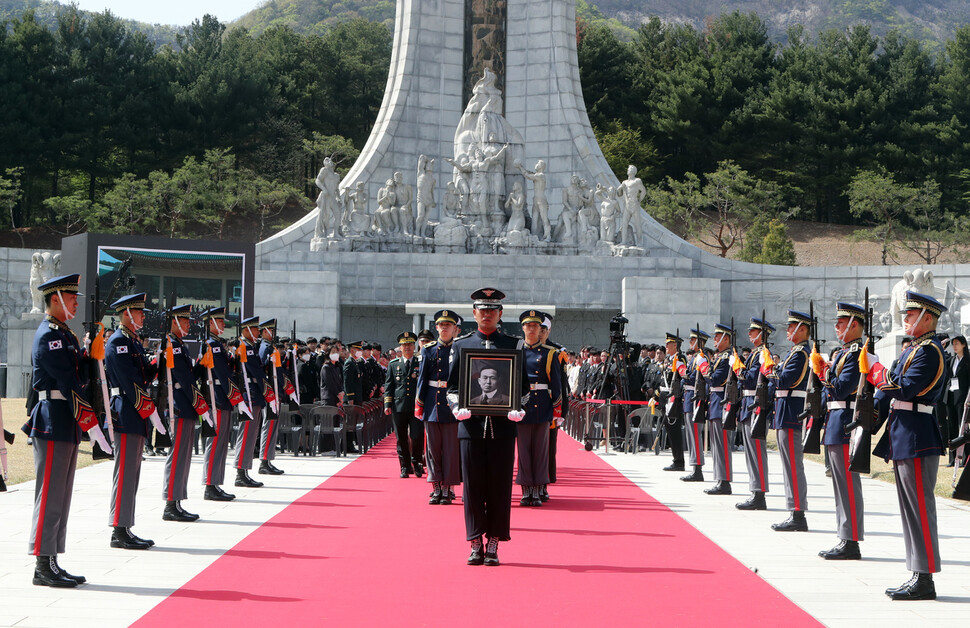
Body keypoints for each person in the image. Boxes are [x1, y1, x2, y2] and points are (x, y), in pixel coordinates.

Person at [25, 274, 106, 586]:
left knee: (61, 495)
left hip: (65, 421)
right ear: (55, 299)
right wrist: (93, 425)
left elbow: (81, 373)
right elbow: (69, 383)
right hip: (53, 421)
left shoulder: (65, 334)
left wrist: (91, 350)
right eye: (72, 297)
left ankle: (52, 560)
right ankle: (42, 565)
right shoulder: (50, 336)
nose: (75, 302)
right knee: (49, 495)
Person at [868, 291, 948, 600]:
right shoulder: (912, 350)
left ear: (928, 318)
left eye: (911, 315)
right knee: (909, 510)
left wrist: (875, 370)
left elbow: (905, 387)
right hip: (904, 434)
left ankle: (925, 578)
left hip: (917, 436)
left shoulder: (929, 351)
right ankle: (917, 572)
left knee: (920, 510)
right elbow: (891, 387)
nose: (905, 318)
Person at [447, 287, 527, 566]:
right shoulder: (461, 345)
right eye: (483, 310)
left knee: (500, 485)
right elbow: (453, 387)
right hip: (470, 427)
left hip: (503, 428)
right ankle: (474, 542)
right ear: (474, 313)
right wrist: (457, 407)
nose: (487, 314)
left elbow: (524, 389)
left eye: (492, 310)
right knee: (472, 486)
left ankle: (494, 541)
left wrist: (519, 407)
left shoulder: (514, 345)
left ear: (500, 314)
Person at [104, 293, 161, 549]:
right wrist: (150, 412)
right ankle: (119, 529)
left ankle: (125, 525)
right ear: (127, 313)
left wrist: (159, 361)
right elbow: (131, 383)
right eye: (139, 312)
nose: (143, 316)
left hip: (135, 413)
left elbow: (144, 376)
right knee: (126, 473)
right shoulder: (118, 343)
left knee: (132, 474)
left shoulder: (132, 341)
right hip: (127, 412)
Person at [817, 302, 867, 560]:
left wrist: (823, 370)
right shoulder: (845, 352)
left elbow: (841, 387)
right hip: (835, 420)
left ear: (854, 324)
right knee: (839, 484)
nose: (836, 326)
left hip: (846, 421)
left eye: (841, 322)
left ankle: (851, 540)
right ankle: (844, 536)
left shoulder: (857, 353)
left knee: (847, 484)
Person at [160, 304, 211, 523]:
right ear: (174, 322)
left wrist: (201, 364)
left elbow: (190, 374)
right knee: (178, 454)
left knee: (185, 456)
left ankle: (177, 501)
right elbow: (184, 379)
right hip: (180, 405)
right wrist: (201, 405)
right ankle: (171, 503)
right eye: (185, 320)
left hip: (186, 405)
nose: (189, 324)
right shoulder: (171, 345)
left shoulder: (179, 344)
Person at [198, 307, 252, 501]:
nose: (223, 324)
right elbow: (223, 375)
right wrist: (238, 399)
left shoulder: (216, 344)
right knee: (216, 444)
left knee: (221, 444)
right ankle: (210, 485)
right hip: (218, 399)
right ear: (211, 323)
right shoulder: (212, 345)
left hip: (222, 399)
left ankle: (215, 483)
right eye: (220, 321)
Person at [769, 310, 811, 532]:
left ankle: (798, 513)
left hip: (792, 413)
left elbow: (785, 380)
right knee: (788, 465)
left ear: (802, 329)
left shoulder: (801, 354)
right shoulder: (794, 353)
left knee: (793, 465)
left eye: (791, 326)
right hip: (784, 411)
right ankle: (793, 510)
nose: (787, 330)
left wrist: (772, 370)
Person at [515, 310, 562, 506]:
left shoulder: (550, 354)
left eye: (536, 326)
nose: (532, 329)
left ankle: (539, 488)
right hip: (523, 407)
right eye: (529, 325)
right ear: (523, 328)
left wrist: (557, 411)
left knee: (541, 451)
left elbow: (557, 386)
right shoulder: (517, 353)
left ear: (540, 329)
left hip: (542, 406)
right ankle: (526, 490)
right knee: (524, 451)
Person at [416, 310, 462, 504]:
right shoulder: (428, 349)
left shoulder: (460, 348)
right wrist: (419, 405)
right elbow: (422, 379)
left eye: (448, 325)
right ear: (436, 327)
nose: (444, 328)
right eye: (441, 325)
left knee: (451, 449)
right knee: (433, 449)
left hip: (452, 405)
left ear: (454, 329)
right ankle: (436, 486)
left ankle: (448, 487)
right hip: (432, 404)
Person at [736, 317, 773, 510]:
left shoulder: (763, 354)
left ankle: (759, 494)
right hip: (748, 404)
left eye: (753, 331)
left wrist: (738, 368)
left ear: (761, 334)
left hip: (756, 405)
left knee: (757, 452)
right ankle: (755, 491)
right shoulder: (755, 354)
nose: (749, 333)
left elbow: (751, 380)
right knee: (751, 452)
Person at [234, 316, 275, 488]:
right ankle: (240, 472)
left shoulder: (251, 347)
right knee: (247, 435)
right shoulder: (245, 347)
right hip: (250, 395)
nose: (258, 332)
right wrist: (268, 391)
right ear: (246, 330)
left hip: (255, 395)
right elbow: (257, 374)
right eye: (255, 329)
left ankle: (245, 470)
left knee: (252, 435)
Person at [385, 332, 424, 478]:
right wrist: (387, 404)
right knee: (401, 438)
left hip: (416, 406)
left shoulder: (420, 362)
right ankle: (405, 466)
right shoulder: (393, 364)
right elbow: (389, 385)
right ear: (400, 347)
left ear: (414, 346)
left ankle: (417, 463)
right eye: (404, 345)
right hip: (398, 406)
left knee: (417, 436)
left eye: (410, 344)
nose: (407, 347)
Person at [702, 323, 735, 496]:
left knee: (722, 446)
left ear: (726, 339)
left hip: (722, 403)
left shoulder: (727, 358)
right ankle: (720, 479)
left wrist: (703, 368)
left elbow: (715, 380)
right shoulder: (720, 357)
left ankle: (725, 481)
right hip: (715, 403)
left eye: (717, 336)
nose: (714, 339)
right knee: (716, 446)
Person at [539, 313, 568, 501]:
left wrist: (561, 411)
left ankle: (546, 481)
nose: (538, 333)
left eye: (542, 330)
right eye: (536, 328)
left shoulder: (557, 351)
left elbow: (562, 384)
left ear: (548, 331)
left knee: (549, 445)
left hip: (550, 405)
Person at [258, 319, 291, 475]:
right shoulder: (265, 348)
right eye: (271, 331)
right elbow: (262, 369)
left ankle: (268, 459)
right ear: (264, 331)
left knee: (273, 427)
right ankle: (264, 461)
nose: (273, 334)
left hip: (275, 392)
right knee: (269, 426)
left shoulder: (270, 347)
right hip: (270, 393)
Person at [677, 328, 710, 482]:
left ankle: (698, 469)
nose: (690, 342)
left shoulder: (701, 358)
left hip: (695, 399)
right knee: (691, 436)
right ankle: (694, 466)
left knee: (695, 435)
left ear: (699, 342)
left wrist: (682, 371)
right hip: (688, 398)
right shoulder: (694, 358)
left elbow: (693, 379)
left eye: (693, 340)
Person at [660, 332, 686, 472]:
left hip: (673, 398)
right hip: (666, 397)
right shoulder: (669, 359)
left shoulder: (679, 358)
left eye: (668, 344)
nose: (666, 346)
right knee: (669, 429)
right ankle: (676, 459)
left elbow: (682, 378)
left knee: (674, 429)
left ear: (675, 345)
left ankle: (679, 461)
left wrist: (676, 396)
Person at [945, 335, 969, 466]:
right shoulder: (952, 359)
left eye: (957, 343)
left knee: (962, 428)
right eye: (953, 344)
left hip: (962, 397)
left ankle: (964, 457)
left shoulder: (968, 361)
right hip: (950, 396)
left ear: (963, 345)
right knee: (951, 427)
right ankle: (952, 458)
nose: (954, 346)